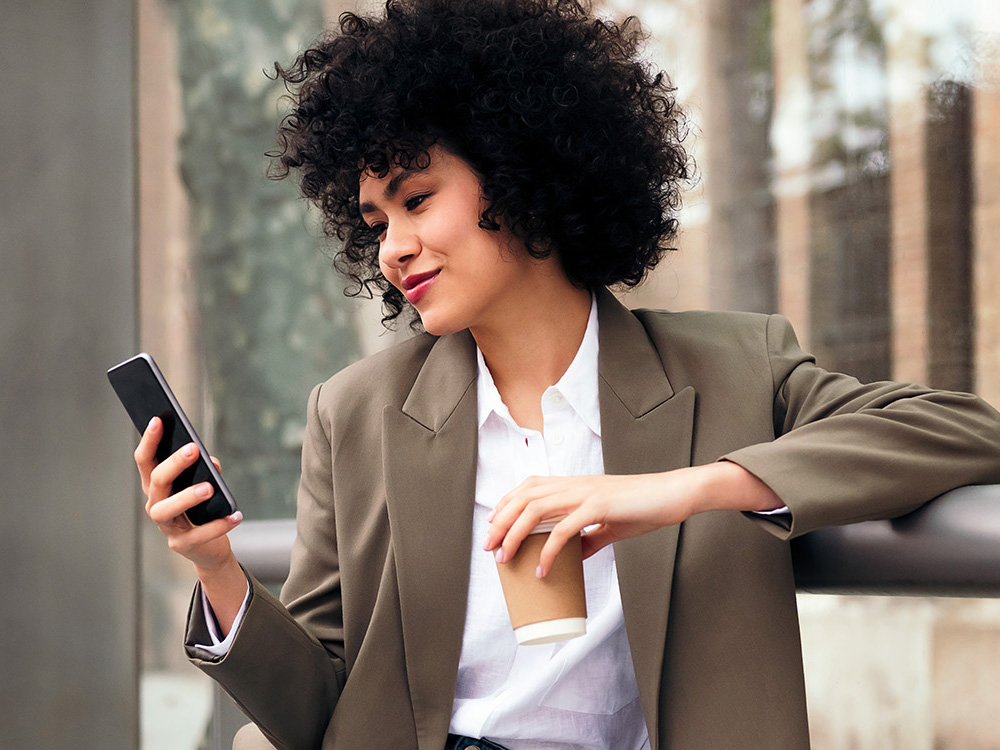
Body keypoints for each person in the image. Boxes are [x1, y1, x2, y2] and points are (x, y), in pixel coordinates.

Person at [134, 1, 1000, 748]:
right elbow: (320, 706)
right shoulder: (356, 412)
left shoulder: (734, 367)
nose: (392, 246)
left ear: (521, 171)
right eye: (375, 218)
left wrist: (684, 490)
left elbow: (964, 430)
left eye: (418, 198)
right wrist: (217, 569)